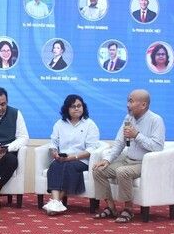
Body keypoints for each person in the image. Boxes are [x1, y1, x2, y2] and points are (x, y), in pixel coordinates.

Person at [92, 89, 165, 223]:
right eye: (128, 101)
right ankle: (111, 207)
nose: (127, 105)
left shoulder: (156, 120)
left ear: (143, 105)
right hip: (127, 160)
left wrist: (136, 135)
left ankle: (128, 210)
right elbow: (120, 143)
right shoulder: (128, 118)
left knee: (122, 172)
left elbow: (157, 147)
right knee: (98, 170)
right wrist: (107, 160)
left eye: (131, 101)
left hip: (143, 163)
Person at [42, 95, 100, 215]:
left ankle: (56, 202)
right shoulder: (59, 124)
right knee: (54, 165)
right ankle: (56, 203)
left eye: (79, 106)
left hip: (81, 160)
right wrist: (54, 152)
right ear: (67, 109)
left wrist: (73, 157)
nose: (77, 108)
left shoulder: (90, 124)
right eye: (73, 106)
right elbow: (53, 143)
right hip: (62, 158)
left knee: (69, 166)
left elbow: (91, 149)